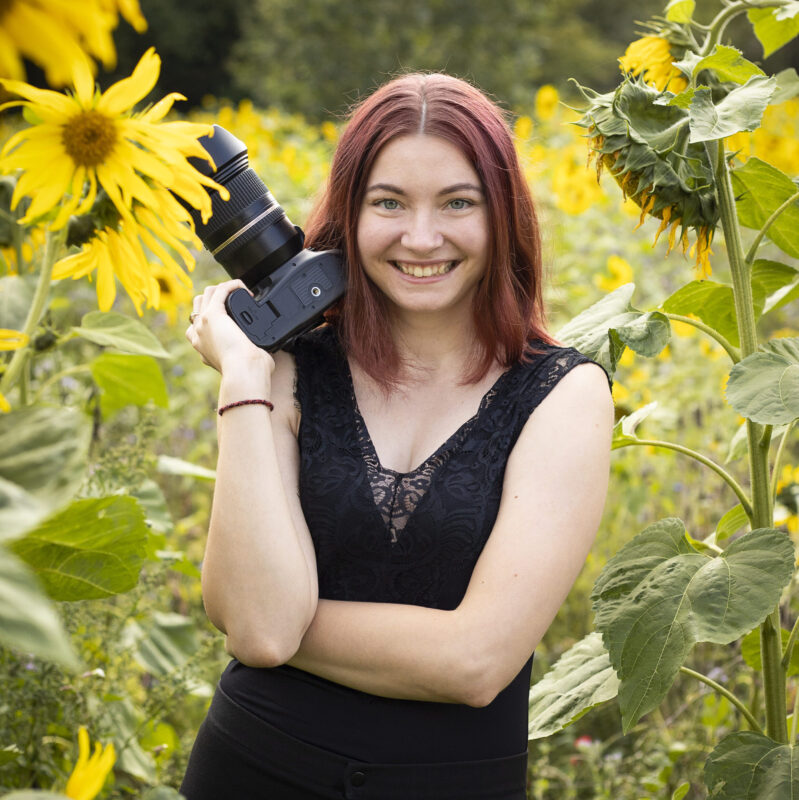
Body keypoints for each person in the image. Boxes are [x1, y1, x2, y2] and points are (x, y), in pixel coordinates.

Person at [181, 72, 613, 800]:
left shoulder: (564, 396)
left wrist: (286, 619)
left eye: (456, 203)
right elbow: (256, 635)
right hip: (248, 769)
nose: (420, 237)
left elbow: (477, 663)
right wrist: (242, 378)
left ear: (502, 216)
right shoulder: (286, 371)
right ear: (349, 214)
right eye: (388, 202)